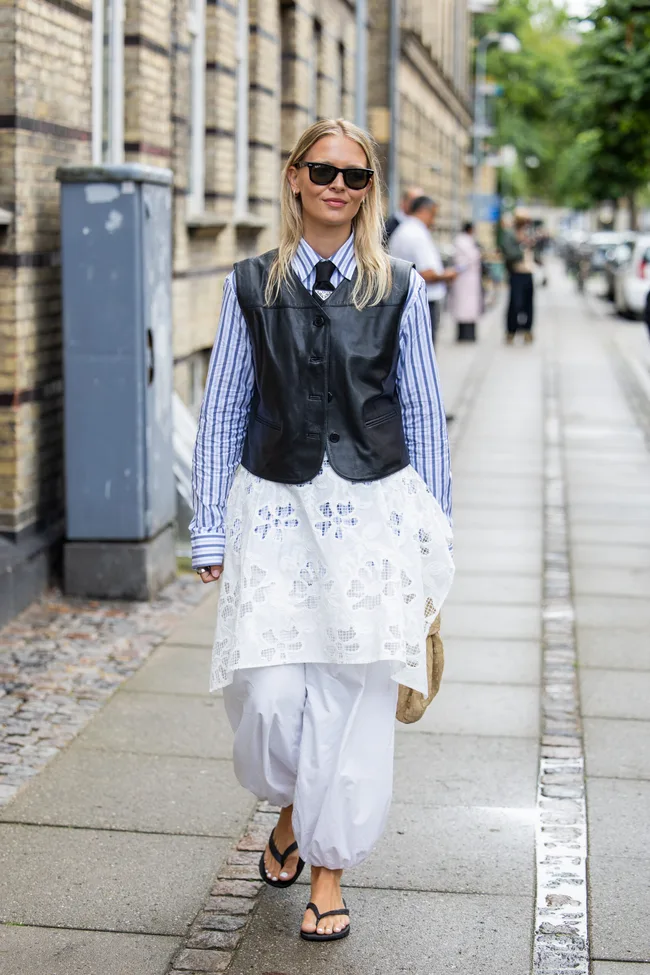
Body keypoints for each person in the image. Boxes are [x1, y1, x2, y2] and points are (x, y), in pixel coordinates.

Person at [190, 118, 454, 944]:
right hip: (274, 513)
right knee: (268, 701)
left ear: (370, 190)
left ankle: (327, 870)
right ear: (296, 178)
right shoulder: (250, 285)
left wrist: (436, 537)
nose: (339, 186)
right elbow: (223, 409)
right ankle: (292, 809)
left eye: (356, 175)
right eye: (325, 170)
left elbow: (422, 414)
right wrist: (208, 527)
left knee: (352, 699)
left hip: (373, 516)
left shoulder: (400, 287)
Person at [388, 195, 457, 346]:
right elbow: (426, 273)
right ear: (424, 211)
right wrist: (446, 275)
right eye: (433, 215)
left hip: (407, 299)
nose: (434, 221)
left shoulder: (405, 229)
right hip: (423, 301)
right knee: (423, 348)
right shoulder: (416, 234)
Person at [499, 208, 535, 344]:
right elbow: (508, 252)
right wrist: (521, 245)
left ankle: (527, 330)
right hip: (516, 273)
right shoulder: (510, 234)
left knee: (528, 304)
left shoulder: (527, 233)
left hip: (528, 272)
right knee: (515, 303)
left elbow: (533, 251)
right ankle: (511, 331)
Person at [450, 221, 482, 342]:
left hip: (470, 278)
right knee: (464, 306)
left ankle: (468, 333)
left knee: (468, 306)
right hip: (464, 278)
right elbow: (471, 257)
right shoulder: (462, 241)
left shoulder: (467, 240)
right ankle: (464, 334)